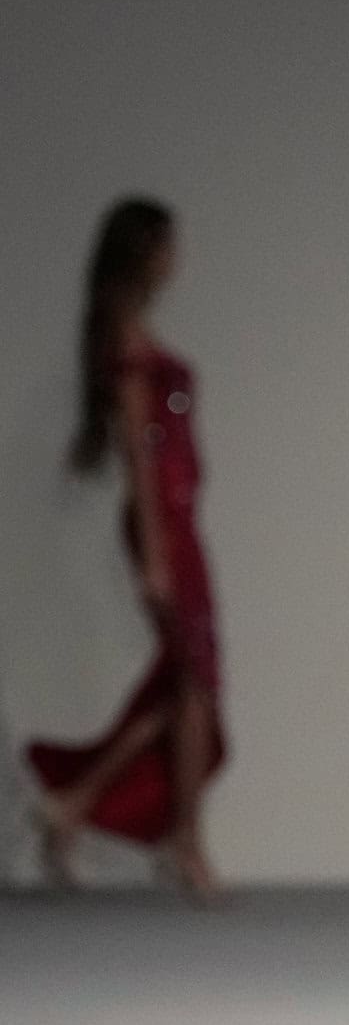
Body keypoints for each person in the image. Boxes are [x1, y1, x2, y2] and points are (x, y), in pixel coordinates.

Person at [26, 197, 228, 897]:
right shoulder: (123, 336)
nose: (176, 260)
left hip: (176, 520)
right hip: (162, 524)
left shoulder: (132, 329)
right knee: (193, 684)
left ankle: (78, 805)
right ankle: (184, 844)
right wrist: (155, 556)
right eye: (167, 246)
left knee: (188, 686)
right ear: (144, 252)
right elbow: (141, 452)